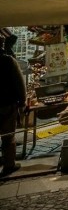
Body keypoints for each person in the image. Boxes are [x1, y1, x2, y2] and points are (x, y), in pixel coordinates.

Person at [0, 33, 26, 178]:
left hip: (6, 102)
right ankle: (9, 164)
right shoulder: (8, 60)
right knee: (8, 136)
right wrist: (22, 102)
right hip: (7, 103)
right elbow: (19, 83)